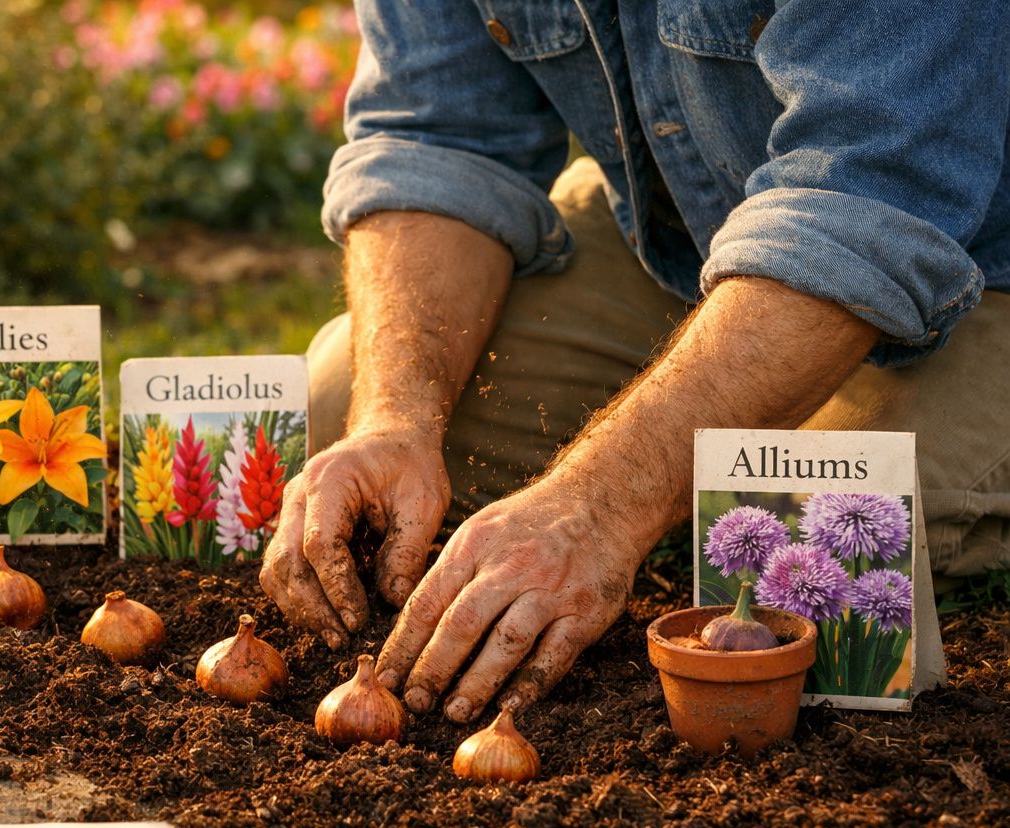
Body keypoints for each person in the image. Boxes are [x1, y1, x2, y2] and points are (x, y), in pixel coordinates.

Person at [261, 2, 1010, 724]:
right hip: (684, 225)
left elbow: (867, 189)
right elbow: (435, 137)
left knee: (834, 524)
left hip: (967, 251)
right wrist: (397, 418)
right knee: (345, 408)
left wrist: (598, 505)